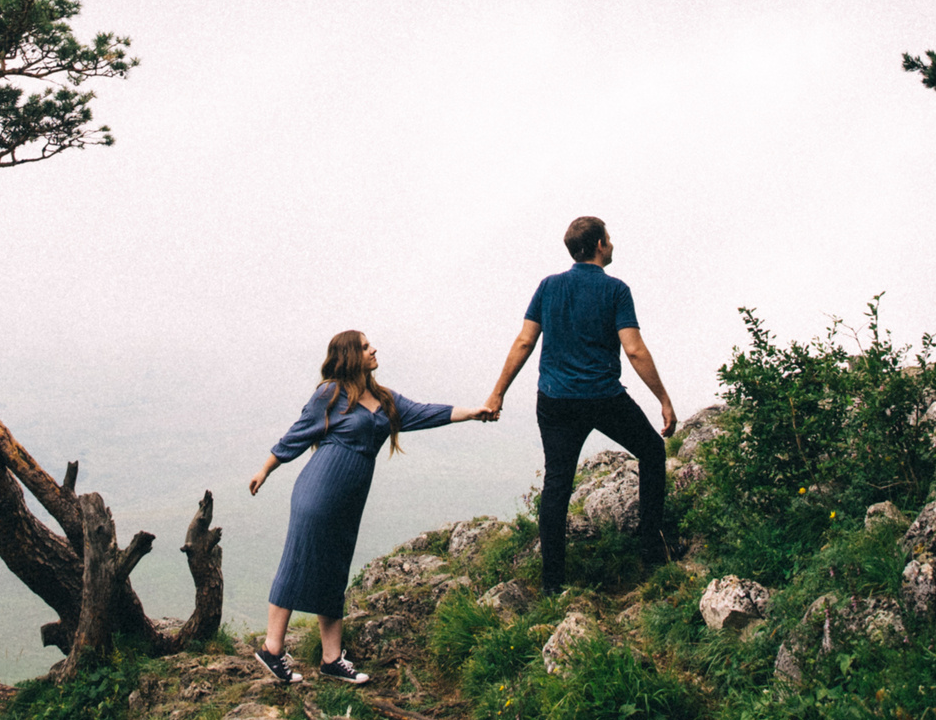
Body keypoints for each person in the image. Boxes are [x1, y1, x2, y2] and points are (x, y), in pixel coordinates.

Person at [248, 329, 495, 686]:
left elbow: (427, 412)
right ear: (350, 355)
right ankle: (272, 650)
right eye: (365, 347)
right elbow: (298, 434)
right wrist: (265, 470)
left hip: (348, 499)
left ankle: (332, 659)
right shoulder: (330, 393)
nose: (373, 349)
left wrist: (474, 412)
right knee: (300, 560)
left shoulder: (384, 399)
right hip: (318, 491)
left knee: (335, 568)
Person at [483, 214, 678, 592]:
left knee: (558, 482)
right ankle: (652, 548)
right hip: (604, 397)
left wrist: (498, 393)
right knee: (652, 451)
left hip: (555, 401)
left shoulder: (549, 287)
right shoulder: (616, 290)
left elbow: (525, 342)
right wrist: (664, 399)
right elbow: (634, 350)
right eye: (610, 237)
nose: (613, 243)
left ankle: (552, 583)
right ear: (600, 245)